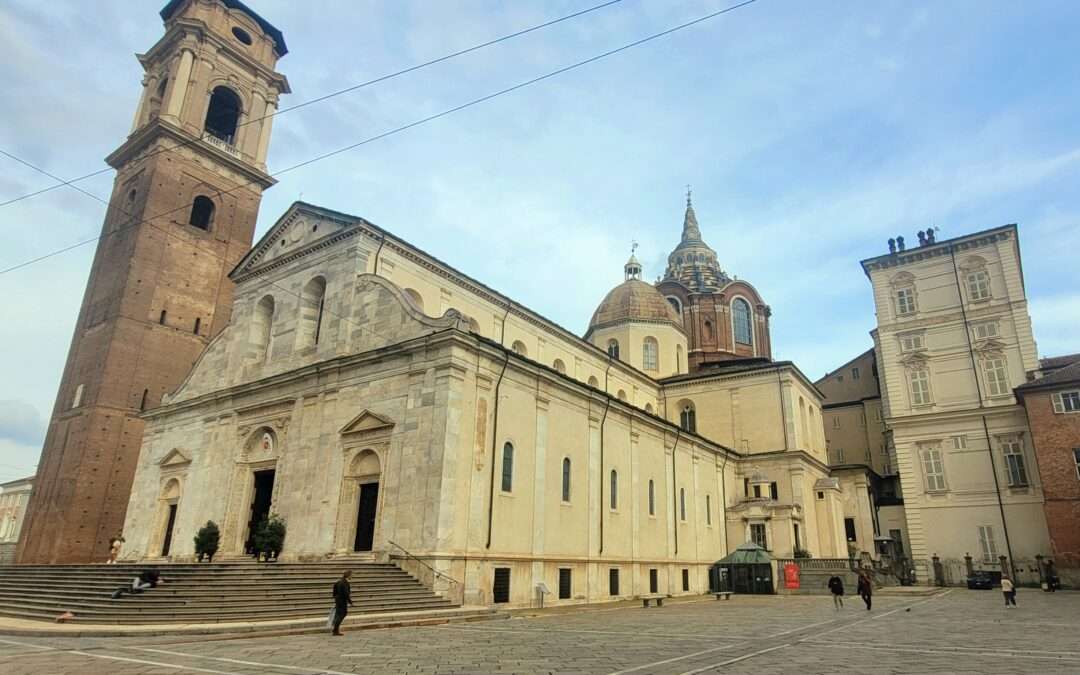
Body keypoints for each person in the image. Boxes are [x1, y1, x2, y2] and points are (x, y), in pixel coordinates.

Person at [331, 570, 354, 636]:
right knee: (342, 614)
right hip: (342, 601)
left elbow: (334, 591)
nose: (352, 576)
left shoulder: (339, 581)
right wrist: (350, 602)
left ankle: (335, 630)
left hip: (338, 600)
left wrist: (335, 598)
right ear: (348, 575)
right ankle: (335, 630)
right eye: (351, 575)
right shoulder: (344, 583)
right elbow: (346, 594)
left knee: (340, 614)